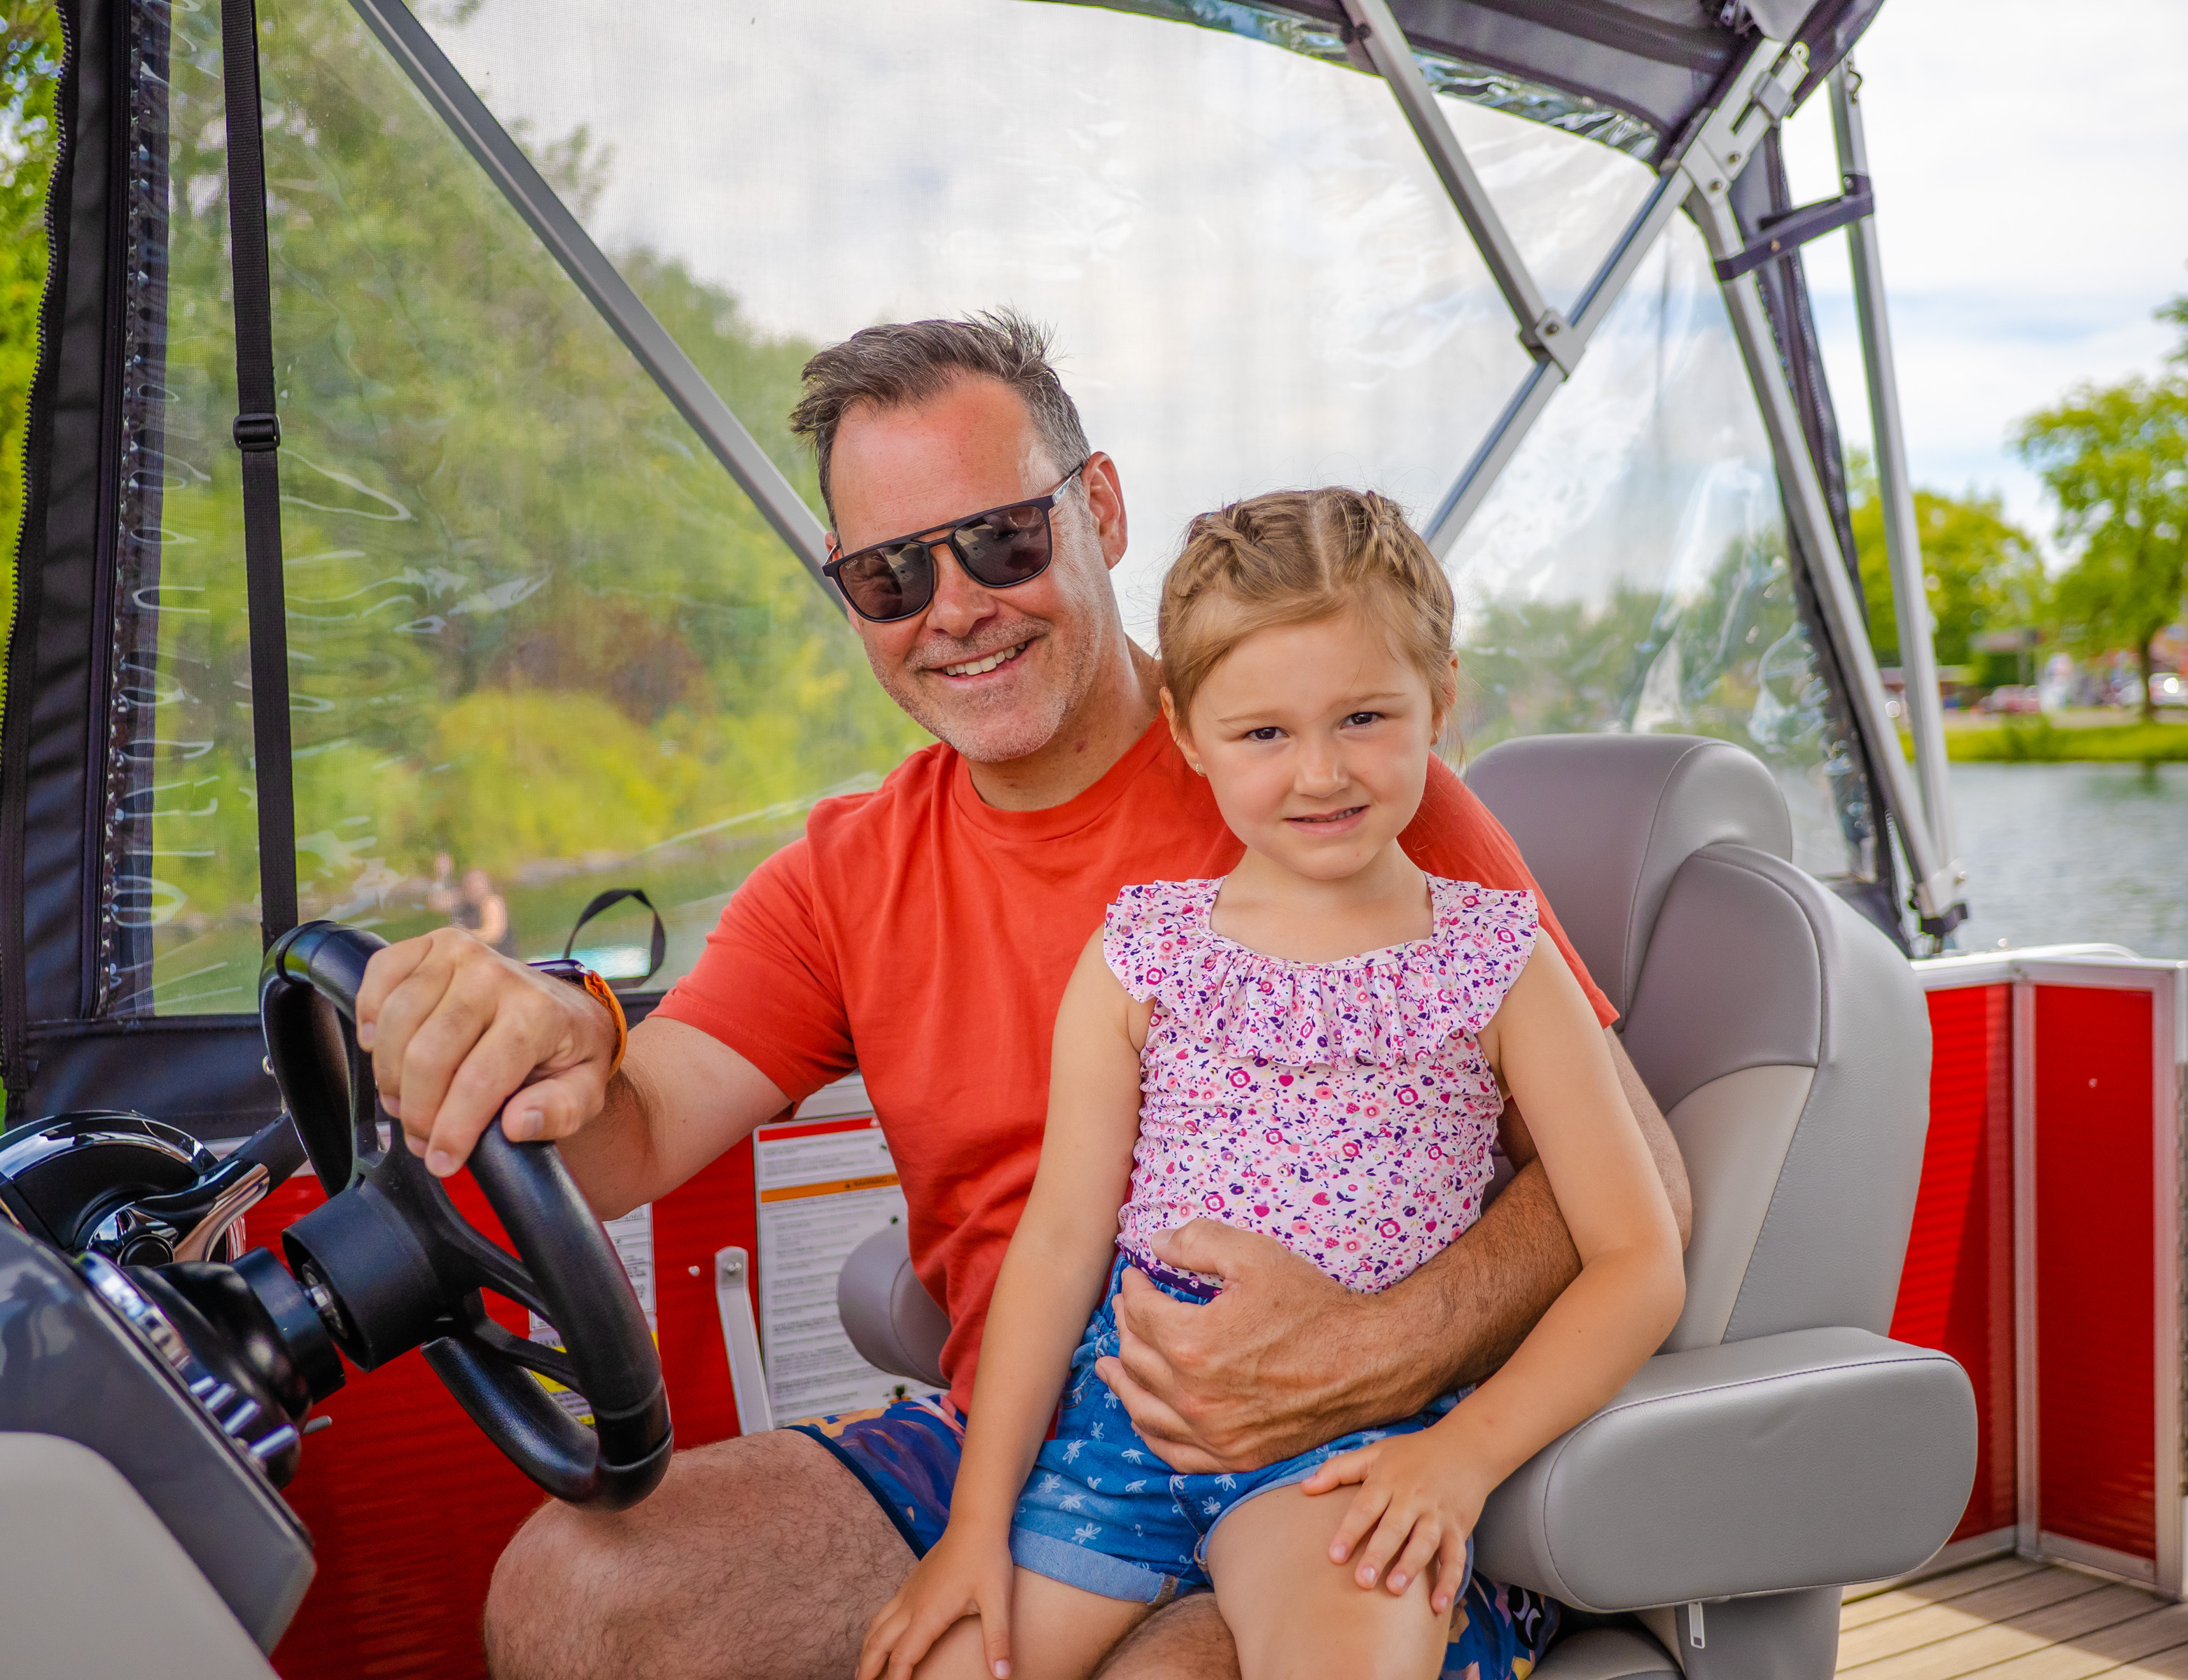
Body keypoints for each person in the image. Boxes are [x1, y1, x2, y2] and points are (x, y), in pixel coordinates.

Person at [351, 312, 1691, 1680]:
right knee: (574, 1596)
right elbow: (629, 1133)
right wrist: (553, 1032)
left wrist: (1380, 1351)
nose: (954, 609)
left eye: (999, 539)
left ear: (1097, 509)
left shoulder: (1352, 810)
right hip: (1027, 1444)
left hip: (1356, 1460)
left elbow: (1643, 1187)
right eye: (887, 576)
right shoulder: (837, 877)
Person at [853, 489, 1684, 1680]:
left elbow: (1636, 1259)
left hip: (1352, 1453)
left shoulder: (1500, 961)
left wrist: (1462, 1461)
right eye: (1264, 735)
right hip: (1113, 1439)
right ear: (1188, 734)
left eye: (1363, 717)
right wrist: (975, 1527)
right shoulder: (1140, 954)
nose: (1319, 773)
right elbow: (1057, 1245)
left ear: (1440, 700)